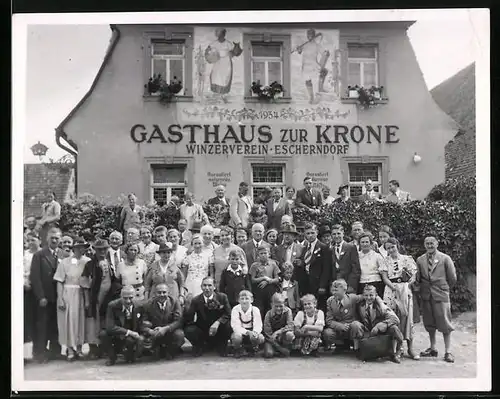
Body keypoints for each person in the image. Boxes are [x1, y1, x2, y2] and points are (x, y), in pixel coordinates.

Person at [416, 236, 457, 363]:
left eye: (432, 243)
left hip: (441, 294)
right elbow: (418, 278)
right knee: (429, 323)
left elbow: (452, 278)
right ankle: (433, 348)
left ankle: (448, 351)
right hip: (426, 295)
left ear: (437, 244)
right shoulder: (420, 260)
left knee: (445, 322)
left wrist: (443, 289)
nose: (429, 246)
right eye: (427, 244)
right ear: (424, 245)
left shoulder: (445, 258)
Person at [80, 239, 122, 360]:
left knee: (104, 322)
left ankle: (104, 348)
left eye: (104, 249)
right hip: (95, 297)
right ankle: (93, 349)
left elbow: (113, 279)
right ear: (95, 250)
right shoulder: (90, 264)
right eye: (99, 249)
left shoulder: (108, 262)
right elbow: (84, 283)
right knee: (92, 323)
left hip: (107, 297)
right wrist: (87, 301)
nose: (102, 251)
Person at [379, 238, 420, 360]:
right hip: (391, 290)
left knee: (407, 318)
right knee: (394, 318)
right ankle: (397, 348)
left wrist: (407, 285)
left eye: (393, 246)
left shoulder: (407, 259)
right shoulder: (384, 261)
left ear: (397, 245)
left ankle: (410, 348)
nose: (391, 250)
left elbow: (413, 277)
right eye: (388, 248)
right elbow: (385, 278)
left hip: (404, 289)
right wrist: (394, 288)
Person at [54, 237, 90, 361]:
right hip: (68, 293)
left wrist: (87, 299)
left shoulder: (87, 261)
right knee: (68, 320)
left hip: (82, 293)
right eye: (78, 247)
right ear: (74, 248)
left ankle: (79, 348)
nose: (81, 250)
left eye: (83, 247)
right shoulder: (64, 262)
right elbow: (59, 281)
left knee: (80, 320)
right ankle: (70, 349)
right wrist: (60, 298)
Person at [30, 227, 63, 363]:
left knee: (56, 325)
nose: (54, 240)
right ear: (47, 239)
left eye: (57, 238)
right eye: (52, 238)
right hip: (45, 297)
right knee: (42, 326)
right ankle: (40, 353)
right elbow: (35, 278)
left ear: (60, 240)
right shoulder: (39, 255)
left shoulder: (63, 254)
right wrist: (41, 296)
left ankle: (55, 352)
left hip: (58, 296)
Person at [184, 277, 232, 357]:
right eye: (204, 285)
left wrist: (218, 322)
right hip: (204, 329)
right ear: (201, 287)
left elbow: (228, 314)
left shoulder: (222, 297)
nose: (207, 288)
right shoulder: (196, 300)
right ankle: (199, 346)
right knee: (189, 330)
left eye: (210, 285)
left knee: (229, 325)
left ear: (214, 287)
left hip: (219, 329)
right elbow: (189, 318)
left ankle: (221, 345)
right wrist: (187, 306)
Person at [355, 284, 404, 363]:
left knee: (394, 328)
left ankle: (395, 352)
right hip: (368, 332)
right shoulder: (360, 305)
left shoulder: (381, 306)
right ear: (363, 296)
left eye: (371, 295)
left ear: (376, 295)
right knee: (355, 325)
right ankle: (359, 351)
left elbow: (395, 319)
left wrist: (382, 324)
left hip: (381, 331)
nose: (368, 298)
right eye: (366, 295)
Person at [99, 286, 145, 366]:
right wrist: (129, 332)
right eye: (125, 298)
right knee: (103, 334)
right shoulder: (112, 305)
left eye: (130, 298)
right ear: (120, 297)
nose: (128, 301)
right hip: (117, 332)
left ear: (134, 296)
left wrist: (140, 336)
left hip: (131, 335)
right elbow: (110, 327)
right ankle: (111, 357)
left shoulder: (139, 305)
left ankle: (129, 355)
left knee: (130, 355)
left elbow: (141, 324)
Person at [292, 223, 332, 311]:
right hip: (306, 282)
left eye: (312, 233)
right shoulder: (305, 248)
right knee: (307, 306)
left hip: (318, 283)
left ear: (317, 232)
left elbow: (326, 269)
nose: (310, 235)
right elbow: (307, 263)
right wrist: (300, 263)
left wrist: (323, 285)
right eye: (308, 233)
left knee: (319, 306)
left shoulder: (324, 248)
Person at [322, 279, 369, 352]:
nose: (334, 293)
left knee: (356, 325)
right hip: (339, 329)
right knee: (327, 333)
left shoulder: (352, 298)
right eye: (333, 290)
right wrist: (340, 326)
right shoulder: (330, 301)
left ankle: (357, 347)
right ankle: (341, 345)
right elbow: (329, 320)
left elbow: (366, 296)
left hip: (351, 327)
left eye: (336, 290)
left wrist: (379, 301)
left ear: (344, 290)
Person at [141, 282, 185, 360]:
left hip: (170, 331)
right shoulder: (148, 304)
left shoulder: (174, 302)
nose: (162, 295)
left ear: (168, 293)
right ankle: (157, 348)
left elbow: (178, 321)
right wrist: (150, 331)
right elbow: (143, 323)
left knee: (179, 335)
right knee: (154, 354)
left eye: (164, 292)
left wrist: (165, 329)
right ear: (154, 293)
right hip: (155, 332)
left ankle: (170, 350)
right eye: (159, 292)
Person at [296, 28, 330, 103]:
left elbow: (323, 53)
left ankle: (319, 91)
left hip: (314, 64)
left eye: (311, 35)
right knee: (307, 81)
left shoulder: (317, 45)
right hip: (305, 65)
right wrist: (298, 48)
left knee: (320, 75)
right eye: (308, 35)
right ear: (307, 36)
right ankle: (311, 97)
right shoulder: (304, 44)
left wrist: (326, 53)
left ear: (314, 36)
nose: (310, 36)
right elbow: (299, 51)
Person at [205, 28, 240, 99]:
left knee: (225, 77)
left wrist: (233, 52)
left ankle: (223, 93)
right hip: (217, 61)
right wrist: (209, 55)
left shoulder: (228, 43)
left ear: (224, 34)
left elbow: (234, 52)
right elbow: (208, 51)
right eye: (219, 34)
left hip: (226, 62)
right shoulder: (214, 43)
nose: (220, 36)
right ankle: (216, 92)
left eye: (221, 34)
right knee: (215, 76)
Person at [230, 290, 265, 358]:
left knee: (260, 338)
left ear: (251, 300)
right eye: (242, 299)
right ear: (238, 300)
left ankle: (253, 348)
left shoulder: (255, 309)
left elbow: (258, 324)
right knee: (236, 337)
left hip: (252, 331)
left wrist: (255, 332)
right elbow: (235, 326)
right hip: (241, 333)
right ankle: (238, 349)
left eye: (247, 298)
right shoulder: (235, 309)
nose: (244, 301)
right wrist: (247, 332)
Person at [249, 246, 281, 318]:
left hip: (270, 290)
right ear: (258, 255)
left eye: (265, 253)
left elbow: (277, 279)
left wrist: (268, 281)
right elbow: (253, 280)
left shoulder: (273, 264)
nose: (263, 255)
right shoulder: (254, 265)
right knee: (259, 310)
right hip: (259, 290)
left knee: (270, 309)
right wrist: (263, 278)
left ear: (269, 254)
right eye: (261, 253)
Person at [330, 225, 361, 294]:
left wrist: (351, 285)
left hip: (348, 284)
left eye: (338, 233)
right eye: (334, 234)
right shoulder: (331, 249)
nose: (336, 236)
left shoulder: (351, 247)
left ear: (343, 234)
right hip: (335, 286)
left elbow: (356, 268)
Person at [262, 293, 295, 358]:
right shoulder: (268, 314)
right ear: (271, 305)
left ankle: (285, 347)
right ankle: (278, 350)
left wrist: (278, 332)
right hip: (271, 339)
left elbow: (290, 326)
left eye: (281, 306)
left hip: (282, 336)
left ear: (284, 304)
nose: (278, 308)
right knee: (269, 354)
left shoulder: (288, 311)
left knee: (289, 334)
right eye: (276, 306)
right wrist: (279, 347)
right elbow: (267, 333)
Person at [23, 232, 41, 349]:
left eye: (33, 240)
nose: (30, 243)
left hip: (41, 289)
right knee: (29, 318)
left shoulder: (42, 253)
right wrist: (25, 283)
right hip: (28, 288)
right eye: (28, 241)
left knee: (40, 319)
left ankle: (39, 347)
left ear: (39, 240)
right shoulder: (24, 255)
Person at [182, 234, 214, 299]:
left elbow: (211, 273)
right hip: (190, 283)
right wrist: (183, 287)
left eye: (199, 243)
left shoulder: (208, 256)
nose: (197, 245)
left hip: (203, 284)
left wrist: (211, 284)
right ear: (192, 245)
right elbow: (184, 274)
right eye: (195, 243)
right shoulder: (188, 258)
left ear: (203, 244)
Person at [358, 232, 385, 297]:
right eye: (362, 242)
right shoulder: (356, 256)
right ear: (359, 243)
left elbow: (383, 272)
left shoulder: (377, 256)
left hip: (376, 283)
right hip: (361, 284)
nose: (365, 244)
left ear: (371, 243)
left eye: (367, 242)